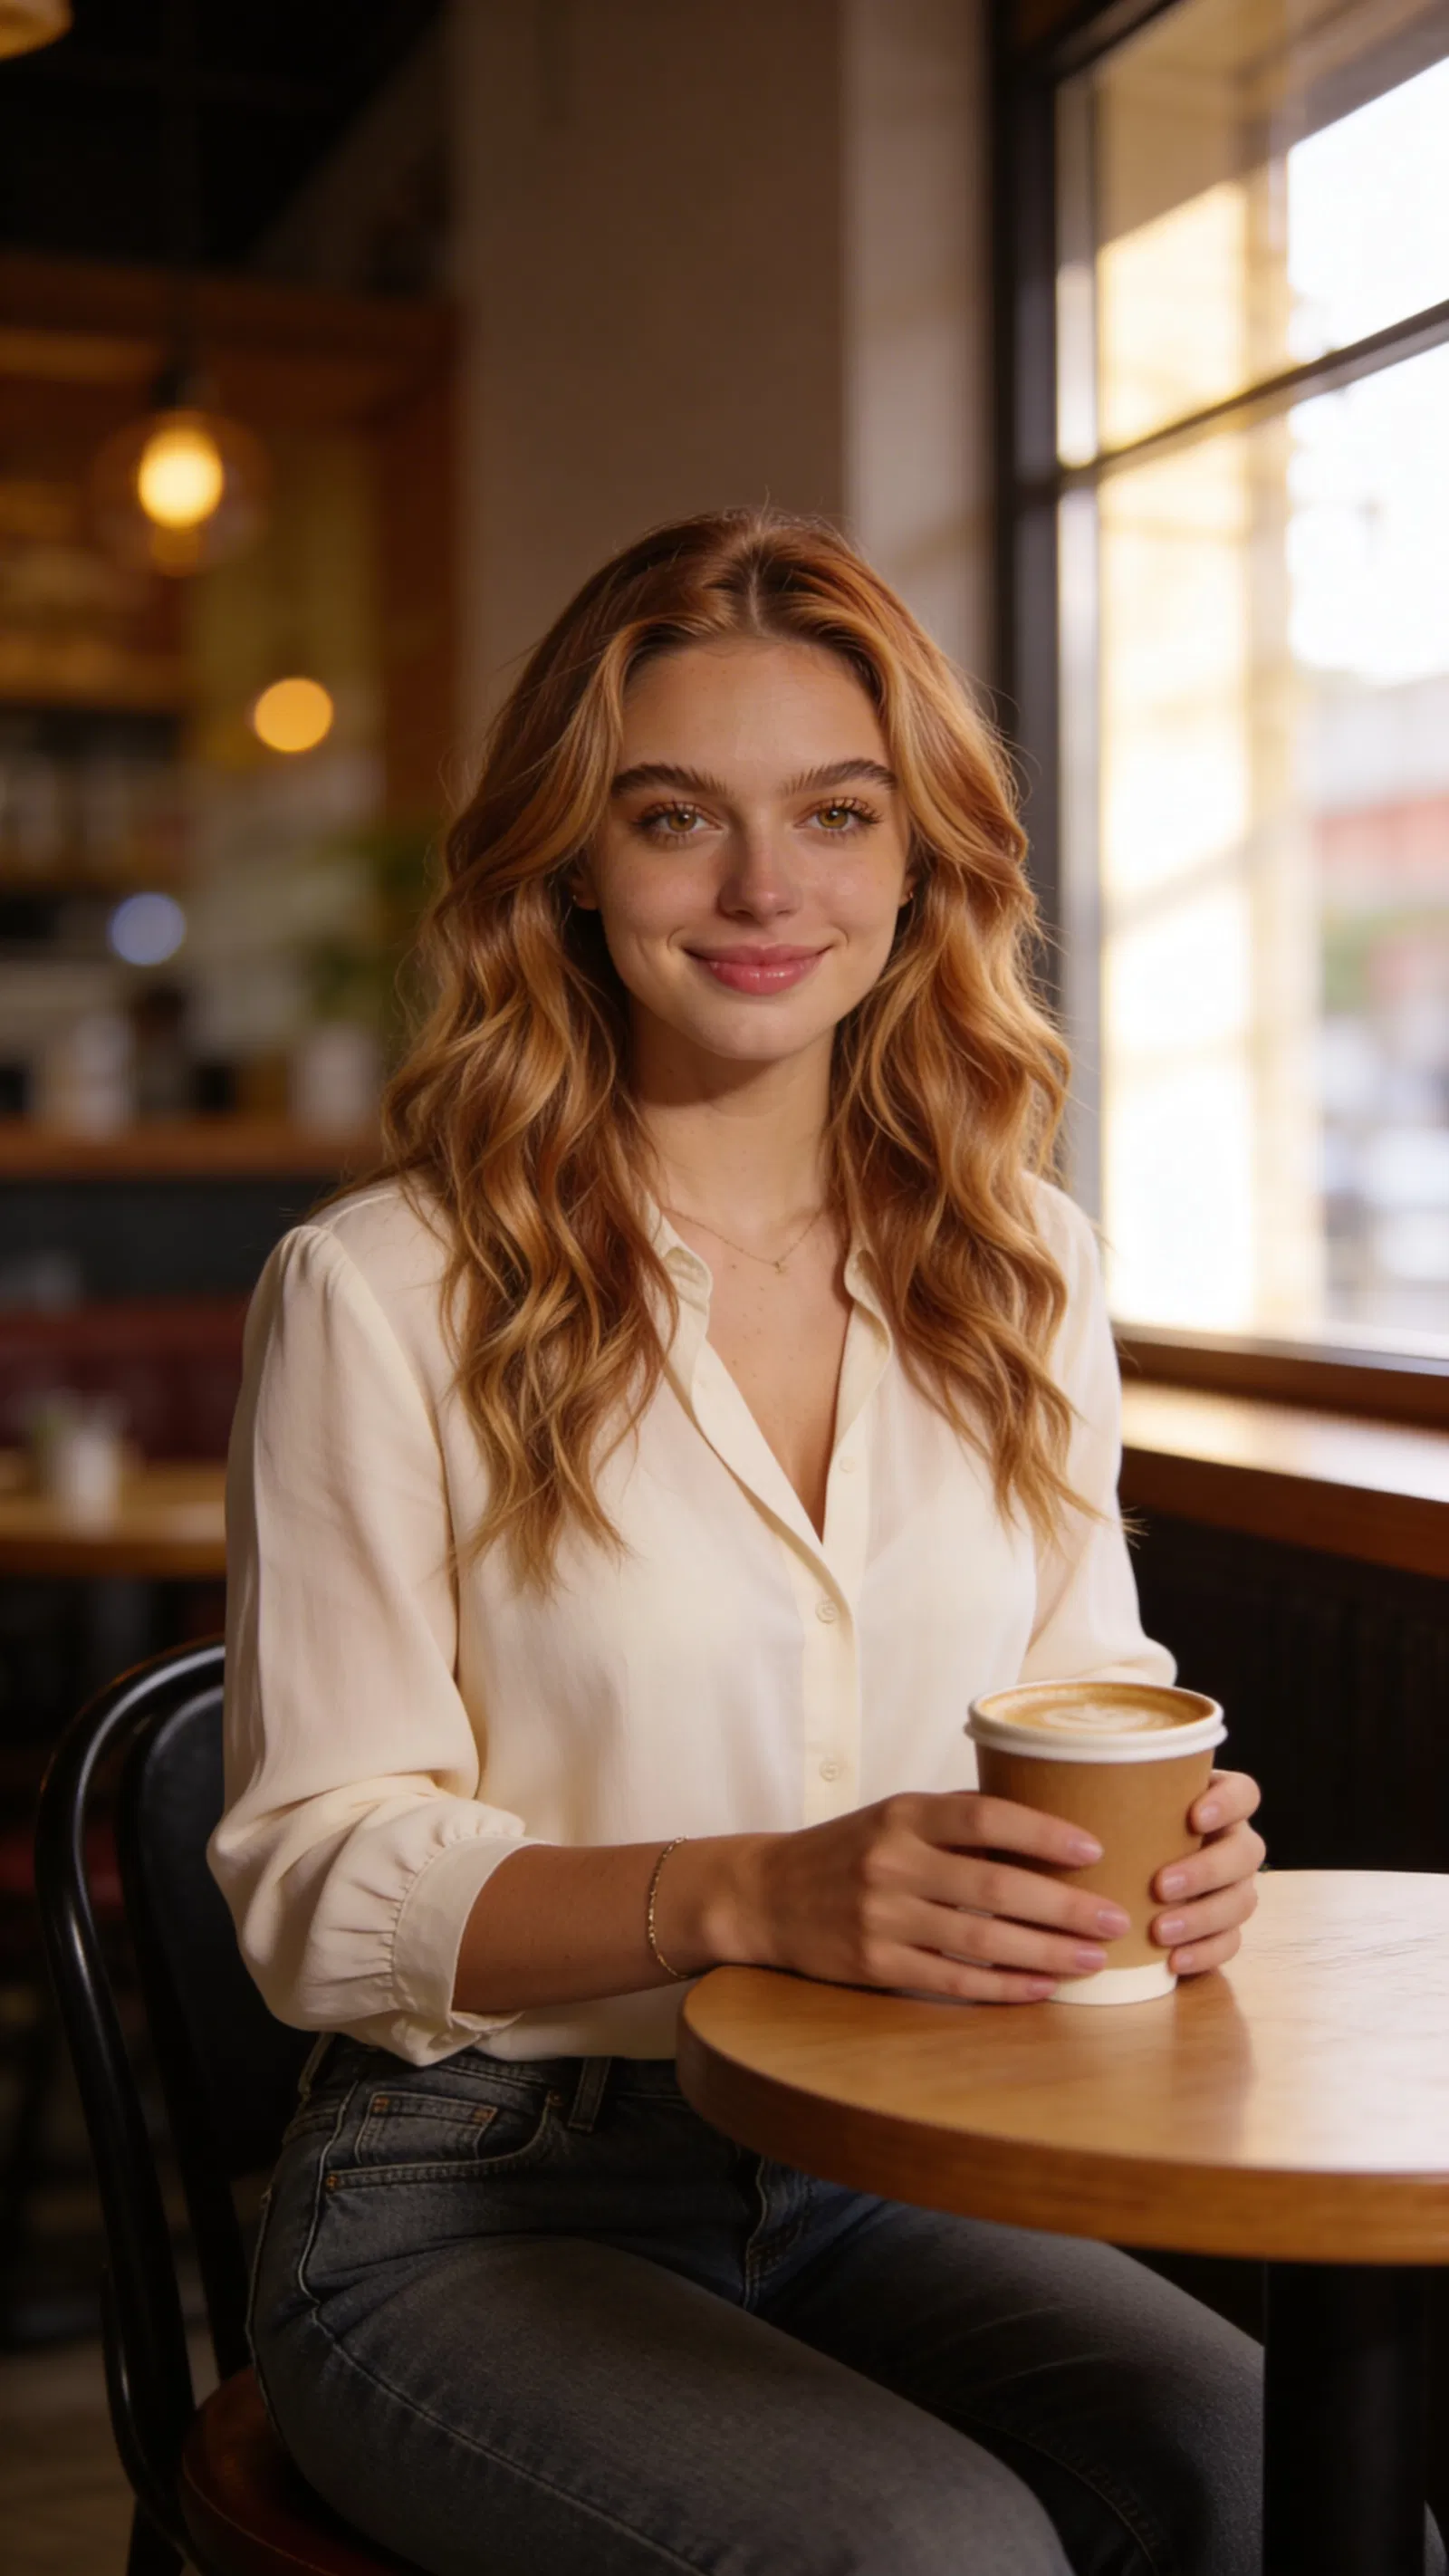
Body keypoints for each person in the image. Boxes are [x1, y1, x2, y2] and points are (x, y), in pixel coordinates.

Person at [214, 509, 1269, 2576]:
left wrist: (1168, 1854)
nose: (765, 888)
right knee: (931, 2556)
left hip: (905, 2153)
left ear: (917, 862)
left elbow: (1099, 1700)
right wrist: (751, 1892)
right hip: (483, 2181)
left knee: (1257, 2472)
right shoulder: (380, 1291)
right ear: (573, 862)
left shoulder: (1022, 1270)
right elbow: (308, 1886)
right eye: (678, 815)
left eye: (836, 815)